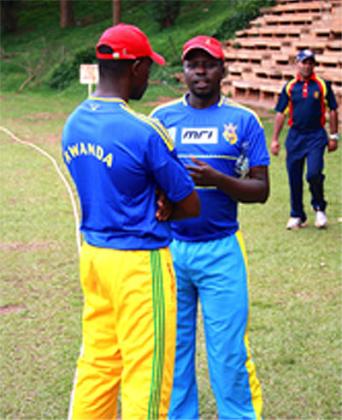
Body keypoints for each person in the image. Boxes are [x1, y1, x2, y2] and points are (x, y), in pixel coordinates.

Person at [62, 23, 200, 420]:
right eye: (148, 68)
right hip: (139, 265)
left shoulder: (73, 123)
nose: (149, 76)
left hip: (94, 259)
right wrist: (167, 203)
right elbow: (190, 205)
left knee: (97, 366)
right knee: (148, 377)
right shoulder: (144, 130)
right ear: (136, 68)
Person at [151, 35, 269, 420]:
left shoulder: (243, 120)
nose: (200, 71)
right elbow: (148, 182)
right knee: (174, 347)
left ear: (223, 69)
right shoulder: (162, 119)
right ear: (182, 71)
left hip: (221, 249)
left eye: (209, 63)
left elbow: (261, 190)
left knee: (228, 350)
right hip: (171, 250)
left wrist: (219, 180)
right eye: (192, 64)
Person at [271, 49, 339, 230]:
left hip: (316, 135)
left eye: (311, 62)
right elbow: (280, 113)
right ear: (297, 64)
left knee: (314, 174)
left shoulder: (322, 85)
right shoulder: (290, 86)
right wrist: (275, 139)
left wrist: (333, 136)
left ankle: (319, 208)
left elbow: (333, 109)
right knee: (294, 177)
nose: (307, 66)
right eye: (304, 62)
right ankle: (297, 214)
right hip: (295, 136)